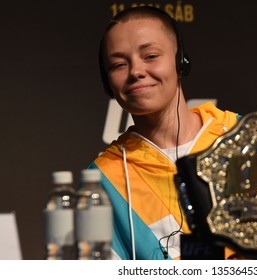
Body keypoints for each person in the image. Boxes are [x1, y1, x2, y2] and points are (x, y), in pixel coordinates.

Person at [87, 6, 240, 260]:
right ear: (107, 83)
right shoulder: (103, 181)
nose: (136, 71)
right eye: (118, 64)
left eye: (151, 56)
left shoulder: (244, 136)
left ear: (181, 61)